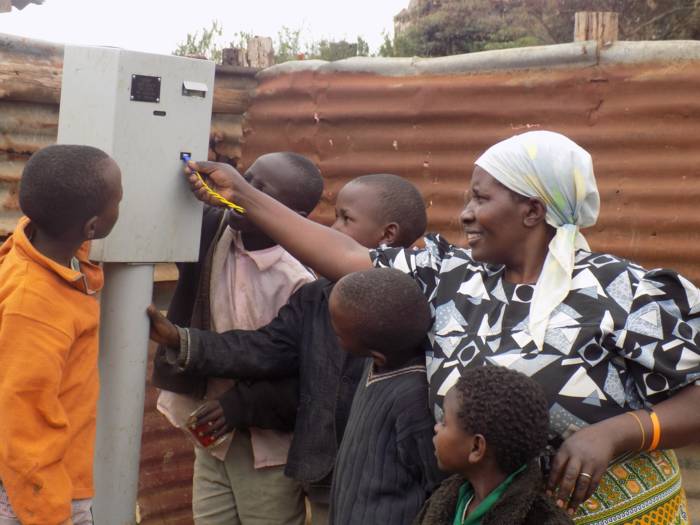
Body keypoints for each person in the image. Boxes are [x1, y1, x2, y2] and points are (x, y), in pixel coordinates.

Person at [179, 130, 700, 524]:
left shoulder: (624, 292)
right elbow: (345, 254)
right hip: (490, 512)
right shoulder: (450, 277)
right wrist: (243, 193)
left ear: (532, 210)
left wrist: (618, 433)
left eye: (481, 198)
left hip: (619, 510)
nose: (465, 214)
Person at [148, 173, 428, 524]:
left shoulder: (414, 305)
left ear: (387, 235)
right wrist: (181, 340)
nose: (331, 227)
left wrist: (241, 404)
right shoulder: (317, 295)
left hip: (389, 481)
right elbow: (267, 347)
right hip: (326, 470)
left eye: (346, 219)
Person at [152, 152, 323, 525]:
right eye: (246, 178)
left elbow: (301, 373)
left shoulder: (297, 279)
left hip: (268, 448)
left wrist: (239, 405)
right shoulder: (215, 234)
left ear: (294, 216)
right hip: (214, 441)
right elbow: (172, 202)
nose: (243, 191)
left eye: (260, 190)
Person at [0, 144, 123, 525]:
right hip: (37, 495)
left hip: (52, 480)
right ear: (92, 226)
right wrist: (51, 514)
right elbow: (23, 419)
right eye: (118, 199)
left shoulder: (43, 248)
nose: (121, 205)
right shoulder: (35, 305)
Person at [328, 268, 442, 524]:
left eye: (338, 333)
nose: (334, 335)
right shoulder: (377, 364)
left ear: (377, 354)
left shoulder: (413, 398)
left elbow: (436, 483)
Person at [415, 366, 572, 525]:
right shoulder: (447, 499)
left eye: (444, 423)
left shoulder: (543, 519)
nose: (436, 428)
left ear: (476, 447)